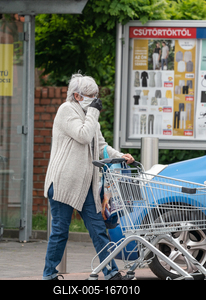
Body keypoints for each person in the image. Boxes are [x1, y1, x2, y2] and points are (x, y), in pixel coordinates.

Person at [42, 73, 135, 280]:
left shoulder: (90, 116)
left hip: (87, 184)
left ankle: (111, 273)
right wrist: (93, 112)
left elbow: (101, 145)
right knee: (60, 232)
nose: (94, 99)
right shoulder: (66, 110)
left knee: (98, 229)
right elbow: (83, 136)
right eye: (89, 95)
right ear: (76, 96)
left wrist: (121, 156)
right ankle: (49, 274)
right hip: (64, 183)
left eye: (96, 95)